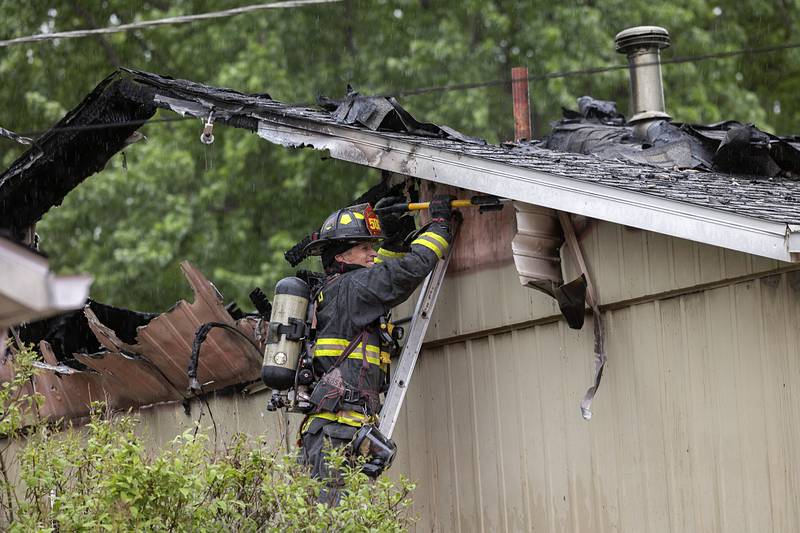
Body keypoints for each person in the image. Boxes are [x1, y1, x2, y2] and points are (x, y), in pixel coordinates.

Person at [298, 194, 454, 489]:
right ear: (342, 258)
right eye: (365, 248)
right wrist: (439, 227)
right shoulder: (354, 288)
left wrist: (395, 240)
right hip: (338, 435)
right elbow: (406, 272)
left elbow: (382, 272)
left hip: (337, 432)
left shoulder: (338, 289)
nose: (373, 254)